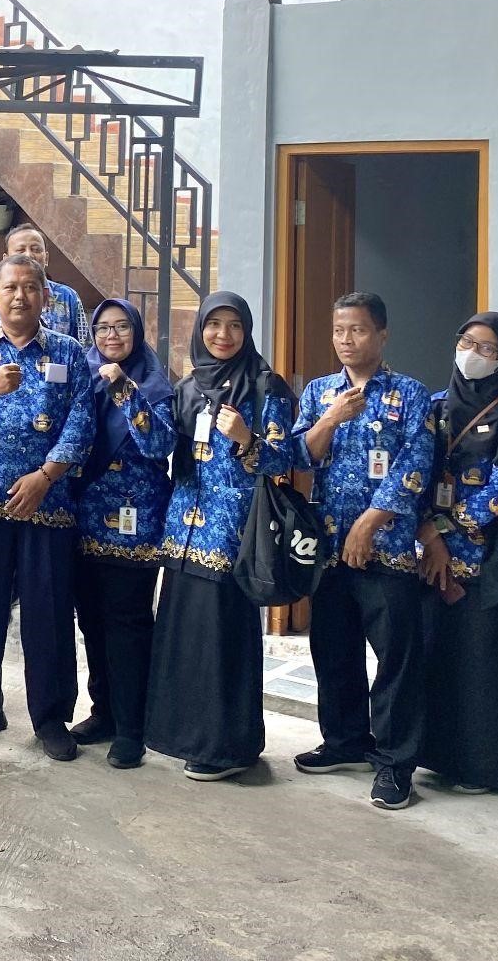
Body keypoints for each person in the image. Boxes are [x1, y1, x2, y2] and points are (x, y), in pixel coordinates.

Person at [0, 253, 95, 760]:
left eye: (31, 287)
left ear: (46, 296)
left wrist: (46, 477)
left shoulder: (69, 352)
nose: (20, 296)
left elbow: (81, 422)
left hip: (46, 502)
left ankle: (51, 718)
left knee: (47, 615)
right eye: (10, 287)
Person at [145, 291, 297, 781]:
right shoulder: (188, 387)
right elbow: (163, 448)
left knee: (222, 642)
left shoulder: (264, 385)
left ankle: (227, 746)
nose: (223, 335)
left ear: (247, 331)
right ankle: (183, 736)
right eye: (214, 325)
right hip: (183, 534)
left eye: (234, 325)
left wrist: (247, 440)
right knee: (184, 639)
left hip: (233, 535)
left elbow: (282, 460)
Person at [293, 292, 434, 811]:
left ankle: (396, 763)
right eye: (338, 331)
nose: (346, 340)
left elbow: (416, 463)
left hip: (387, 550)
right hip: (328, 546)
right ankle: (345, 740)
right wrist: (330, 418)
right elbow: (300, 454)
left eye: (356, 330)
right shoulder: (320, 391)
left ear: (381, 334)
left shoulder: (411, 394)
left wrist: (372, 522)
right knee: (332, 650)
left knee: (395, 659)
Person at [415, 313, 498, 796]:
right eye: (467, 341)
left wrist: (444, 527)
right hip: (429, 555)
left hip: (489, 557)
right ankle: (440, 757)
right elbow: (414, 474)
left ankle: (486, 768)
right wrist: (428, 536)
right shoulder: (433, 405)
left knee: (487, 663)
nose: (473, 353)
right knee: (439, 655)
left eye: (487, 348)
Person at [70, 298, 175, 770]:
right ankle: (104, 712)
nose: (111, 336)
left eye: (121, 327)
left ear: (136, 332)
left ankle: (134, 727)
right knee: (90, 620)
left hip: (136, 522)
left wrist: (125, 390)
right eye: (102, 328)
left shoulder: (153, 382)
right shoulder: (81, 374)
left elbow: (159, 445)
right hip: (83, 518)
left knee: (128, 623)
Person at [0, 225, 91, 347]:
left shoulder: (67, 296)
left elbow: (84, 347)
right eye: (20, 250)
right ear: (5, 259)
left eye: (36, 250)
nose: (29, 255)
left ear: (46, 258)